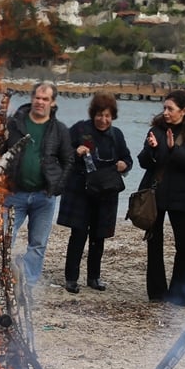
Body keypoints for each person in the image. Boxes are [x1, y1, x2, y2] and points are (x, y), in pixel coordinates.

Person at [137, 90, 185, 307]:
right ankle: (157, 293)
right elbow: (143, 162)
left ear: (184, 111)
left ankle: (180, 294)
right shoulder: (156, 129)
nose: (166, 112)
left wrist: (172, 148)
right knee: (154, 244)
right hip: (156, 193)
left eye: (171, 109)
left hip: (182, 194)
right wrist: (151, 150)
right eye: (164, 108)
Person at [1, 81, 74, 289]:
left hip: (44, 197)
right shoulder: (15, 125)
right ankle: (0, 279)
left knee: (38, 243)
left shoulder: (59, 130)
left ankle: (28, 283)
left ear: (53, 102)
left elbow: (68, 159)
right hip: (14, 194)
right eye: (37, 98)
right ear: (32, 98)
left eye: (45, 99)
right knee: (4, 240)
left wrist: (57, 186)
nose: (40, 102)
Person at [56, 92, 132, 293]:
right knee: (78, 234)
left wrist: (125, 165)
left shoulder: (117, 135)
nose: (103, 119)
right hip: (81, 191)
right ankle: (71, 278)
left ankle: (94, 277)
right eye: (99, 115)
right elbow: (61, 153)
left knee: (99, 237)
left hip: (106, 193)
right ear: (93, 114)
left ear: (112, 116)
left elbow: (128, 159)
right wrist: (75, 152)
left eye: (107, 115)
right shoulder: (80, 129)